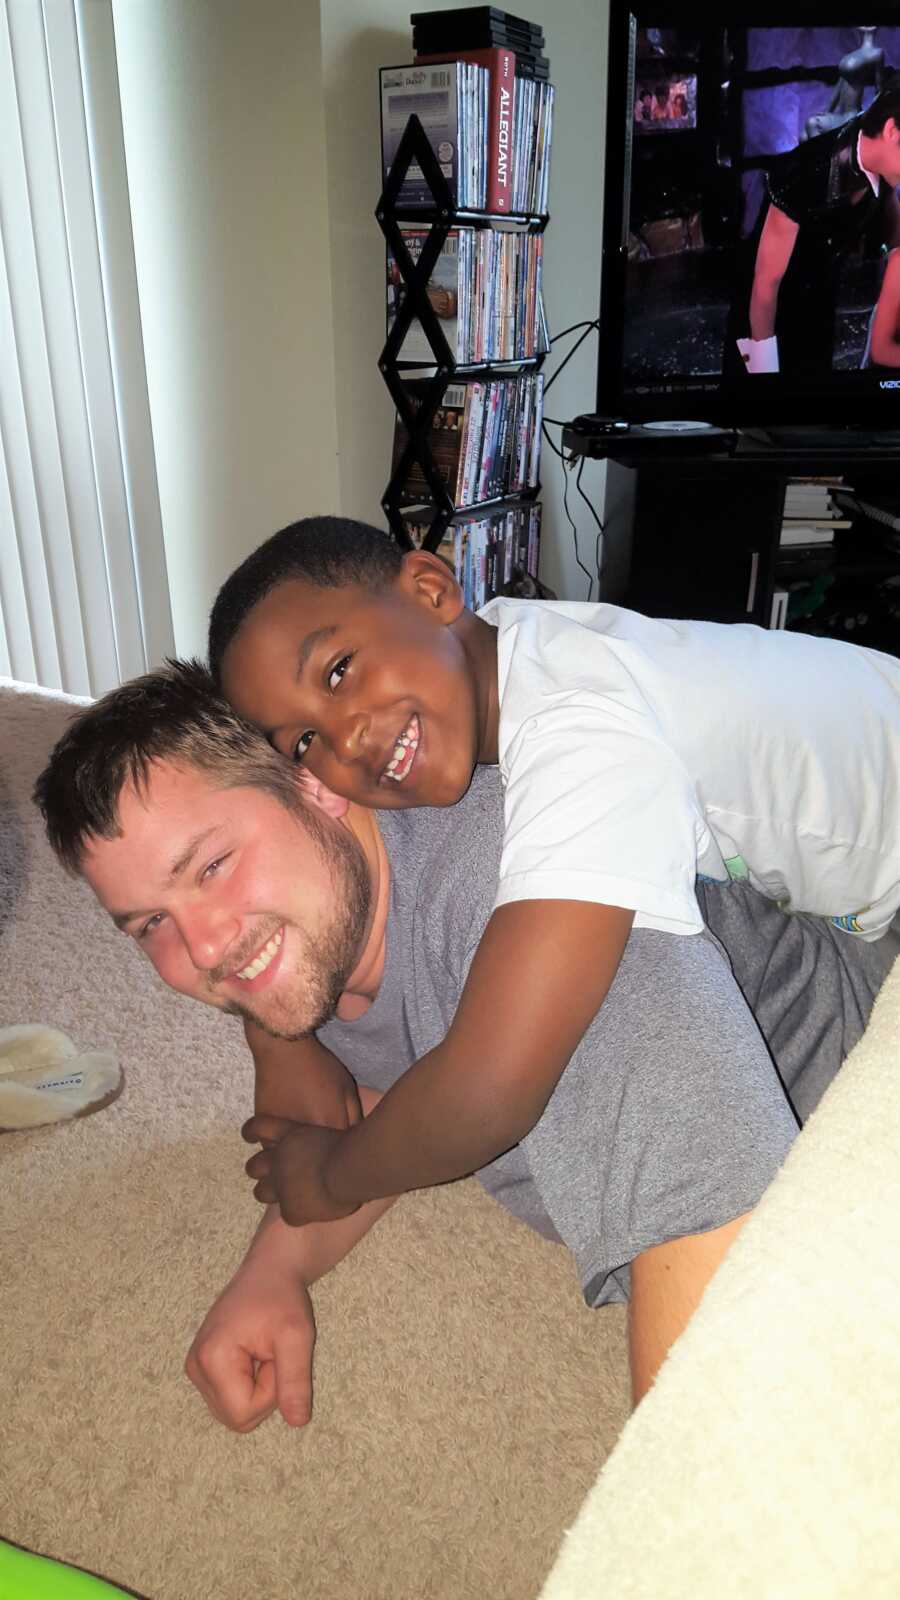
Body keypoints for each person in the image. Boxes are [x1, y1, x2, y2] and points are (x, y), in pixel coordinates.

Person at [34, 660, 810, 1424]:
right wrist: (274, 1271)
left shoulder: (527, 898)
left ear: (313, 783)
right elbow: (400, 1112)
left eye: (212, 865)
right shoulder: (318, 922)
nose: (204, 949)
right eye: (151, 924)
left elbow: (729, 1237)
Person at [206, 516, 900, 1244]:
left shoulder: (583, 731)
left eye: (339, 671)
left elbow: (491, 1087)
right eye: (305, 740)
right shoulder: (498, 647)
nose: (345, 740)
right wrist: (276, 1036)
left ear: (431, 590)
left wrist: (331, 1173)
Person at [731, 76, 900, 377]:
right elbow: (765, 284)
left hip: (819, 300)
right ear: (891, 131)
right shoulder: (804, 174)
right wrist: (763, 371)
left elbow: (893, 224)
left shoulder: (885, 163)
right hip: (766, 310)